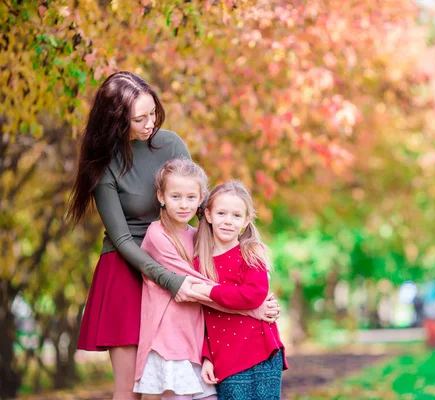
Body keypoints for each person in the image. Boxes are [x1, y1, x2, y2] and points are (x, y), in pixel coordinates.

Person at [66, 72, 280, 400]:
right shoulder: (104, 164)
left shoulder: (170, 143)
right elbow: (122, 240)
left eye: (152, 112)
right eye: (139, 118)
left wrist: (245, 276)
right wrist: (170, 281)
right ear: (115, 121)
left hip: (180, 258)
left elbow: (198, 204)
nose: (150, 122)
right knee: (131, 390)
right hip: (127, 269)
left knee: (184, 382)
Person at [134, 159, 272, 400]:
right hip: (170, 339)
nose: (183, 204)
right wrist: (252, 308)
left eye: (190, 197)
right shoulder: (157, 235)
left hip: (196, 340)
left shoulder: (199, 239)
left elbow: (214, 291)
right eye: (175, 196)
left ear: (201, 200)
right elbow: (192, 287)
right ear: (161, 196)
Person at [193, 181, 288, 399]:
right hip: (225, 356)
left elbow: (253, 295)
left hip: (262, 351)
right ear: (208, 214)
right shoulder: (199, 264)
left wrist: (210, 291)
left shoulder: (251, 253)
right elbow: (202, 317)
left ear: (246, 221)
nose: (228, 221)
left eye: (236, 216)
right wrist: (206, 356)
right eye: (221, 213)